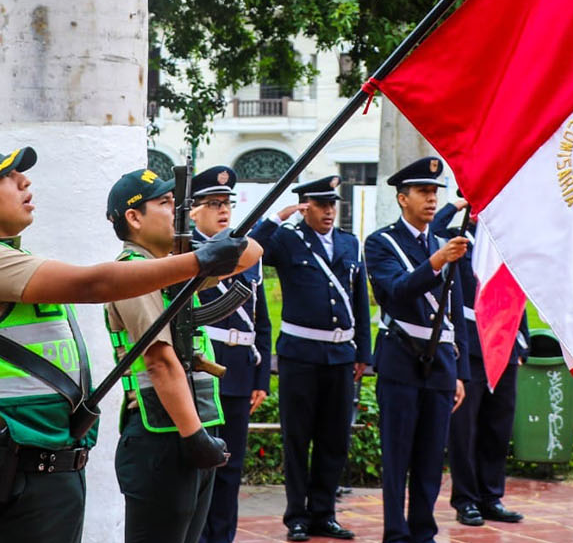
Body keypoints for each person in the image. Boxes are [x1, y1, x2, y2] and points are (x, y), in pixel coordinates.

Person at [0, 140, 259, 543]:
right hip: (16, 458)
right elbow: (94, 284)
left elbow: (250, 252)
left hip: (49, 454)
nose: (24, 182)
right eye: (5, 176)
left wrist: (193, 247)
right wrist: (198, 259)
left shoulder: (12, 257)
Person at [104, 168, 256, 543]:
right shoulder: (133, 273)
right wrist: (194, 436)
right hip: (163, 436)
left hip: (189, 428)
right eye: (165, 203)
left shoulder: (170, 269)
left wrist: (209, 247)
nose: (177, 211)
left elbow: (253, 253)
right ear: (134, 217)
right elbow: (158, 360)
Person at [250, 174, 370, 541]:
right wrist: (276, 218)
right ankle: (297, 517)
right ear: (305, 207)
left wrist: (363, 351)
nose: (329, 211)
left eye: (332, 204)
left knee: (335, 439)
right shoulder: (287, 240)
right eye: (320, 205)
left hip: (340, 355)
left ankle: (325, 513)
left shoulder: (349, 243)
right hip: (300, 356)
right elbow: (251, 247)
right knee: (298, 438)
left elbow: (359, 302)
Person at [362, 157, 469, 543]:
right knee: (398, 456)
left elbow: (456, 311)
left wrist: (461, 372)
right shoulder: (381, 242)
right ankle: (396, 532)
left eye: (435, 193)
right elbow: (397, 290)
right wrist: (437, 261)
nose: (431, 200)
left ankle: (424, 531)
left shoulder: (443, 243)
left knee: (429, 457)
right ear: (402, 198)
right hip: (401, 358)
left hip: (440, 362)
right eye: (423, 192)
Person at [432, 198, 527, 528]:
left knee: (498, 424)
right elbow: (429, 231)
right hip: (470, 344)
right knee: (465, 429)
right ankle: (466, 499)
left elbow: (516, 289)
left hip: (503, 343)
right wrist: (456, 204)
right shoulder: (454, 239)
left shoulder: (503, 240)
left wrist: (521, 341)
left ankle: (491, 496)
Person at [191, 166, 271, 543]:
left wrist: (261, 378)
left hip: (240, 370)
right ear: (193, 210)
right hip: (202, 372)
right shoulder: (183, 252)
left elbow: (262, 320)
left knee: (231, 466)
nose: (224, 211)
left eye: (227, 203)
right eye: (214, 203)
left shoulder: (244, 250)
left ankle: (222, 537)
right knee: (201, 465)